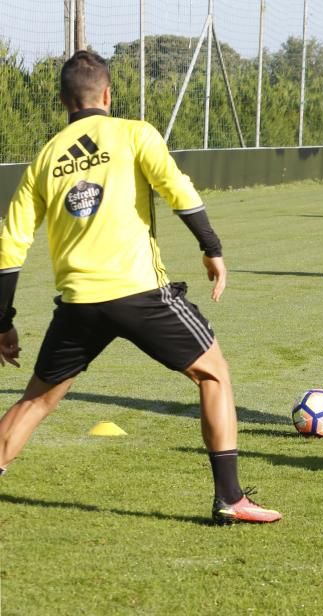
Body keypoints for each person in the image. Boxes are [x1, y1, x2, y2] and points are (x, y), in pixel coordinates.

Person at [0, 51, 281, 525]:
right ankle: (230, 498)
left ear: (64, 101)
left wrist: (3, 322)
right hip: (140, 294)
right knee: (214, 374)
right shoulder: (133, 132)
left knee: (37, 400)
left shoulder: (46, 158)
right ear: (107, 95)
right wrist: (211, 247)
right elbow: (178, 189)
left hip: (78, 305)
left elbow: (10, 244)